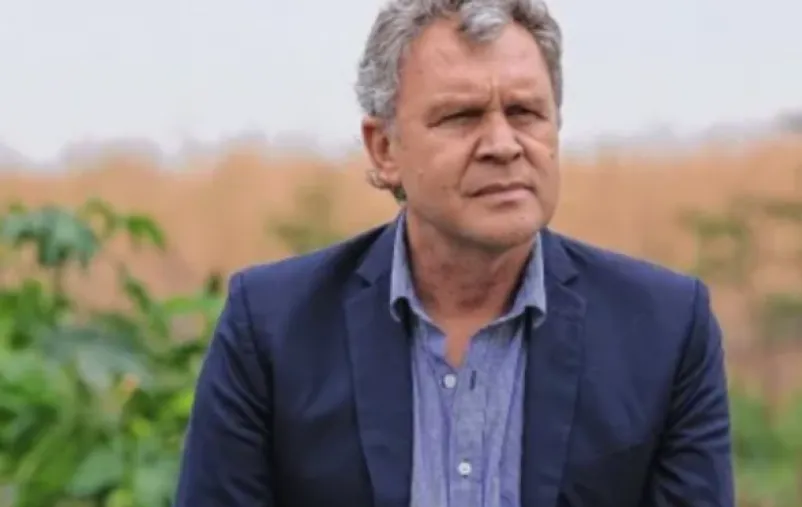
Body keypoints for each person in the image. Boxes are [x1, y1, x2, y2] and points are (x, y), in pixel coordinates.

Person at [173, 0, 735, 505]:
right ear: (384, 149)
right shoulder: (273, 328)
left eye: (525, 112)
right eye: (461, 117)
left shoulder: (664, 331)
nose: (502, 145)